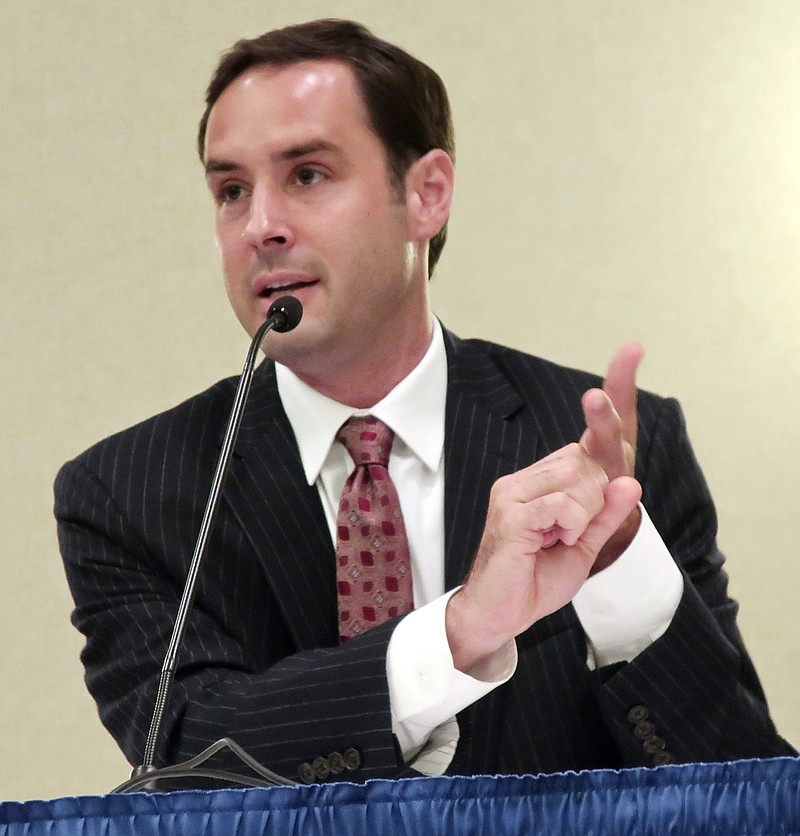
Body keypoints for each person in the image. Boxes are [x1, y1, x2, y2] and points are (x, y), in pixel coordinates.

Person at [55, 19, 792, 786]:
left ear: (426, 194)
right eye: (231, 190)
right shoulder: (128, 493)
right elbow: (186, 761)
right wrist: (457, 634)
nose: (261, 226)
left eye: (306, 174)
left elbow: (750, 790)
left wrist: (621, 582)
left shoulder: (602, 451)